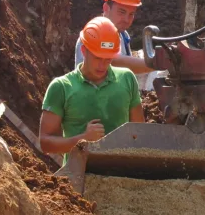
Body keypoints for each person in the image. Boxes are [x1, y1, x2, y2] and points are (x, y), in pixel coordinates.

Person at [38, 16, 144, 160]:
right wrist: (83, 140)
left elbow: (139, 132)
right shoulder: (61, 87)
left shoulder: (127, 79)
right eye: (97, 58)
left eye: (108, 59)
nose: (102, 65)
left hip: (120, 175)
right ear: (84, 50)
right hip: (78, 177)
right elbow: (45, 143)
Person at [74, 0, 155, 77]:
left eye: (131, 14)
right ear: (106, 8)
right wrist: (155, 64)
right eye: (121, 12)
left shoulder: (122, 35)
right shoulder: (93, 33)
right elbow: (114, 62)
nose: (126, 19)